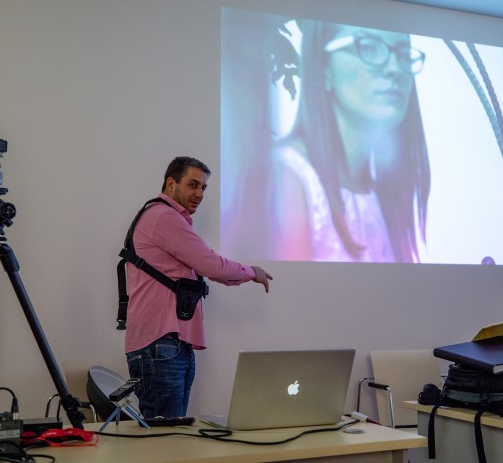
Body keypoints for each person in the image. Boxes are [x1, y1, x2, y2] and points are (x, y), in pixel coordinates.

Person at [124, 156, 273, 418]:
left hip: (168, 344)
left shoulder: (162, 216)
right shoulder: (164, 217)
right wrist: (252, 272)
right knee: (166, 437)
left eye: (203, 187)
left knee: (172, 433)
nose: (200, 194)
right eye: (193, 185)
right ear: (171, 183)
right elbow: (213, 266)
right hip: (161, 344)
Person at [271, 21, 431, 263]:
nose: (394, 68)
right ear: (323, 67)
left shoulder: (385, 199)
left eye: (403, 54)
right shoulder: (289, 179)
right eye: (369, 47)